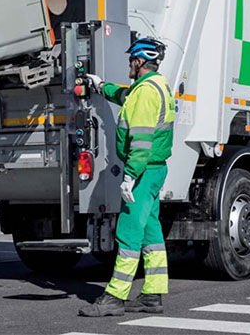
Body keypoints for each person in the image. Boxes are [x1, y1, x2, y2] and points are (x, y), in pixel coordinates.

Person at [79, 38, 175, 317]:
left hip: (143, 171)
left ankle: (114, 297)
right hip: (154, 170)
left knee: (129, 233)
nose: (129, 64)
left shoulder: (146, 92)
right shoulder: (155, 86)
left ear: (139, 61)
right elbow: (124, 95)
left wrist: (130, 176)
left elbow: (142, 140)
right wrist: (100, 86)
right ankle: (152, 296)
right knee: (150, 232)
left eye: (131, 60)